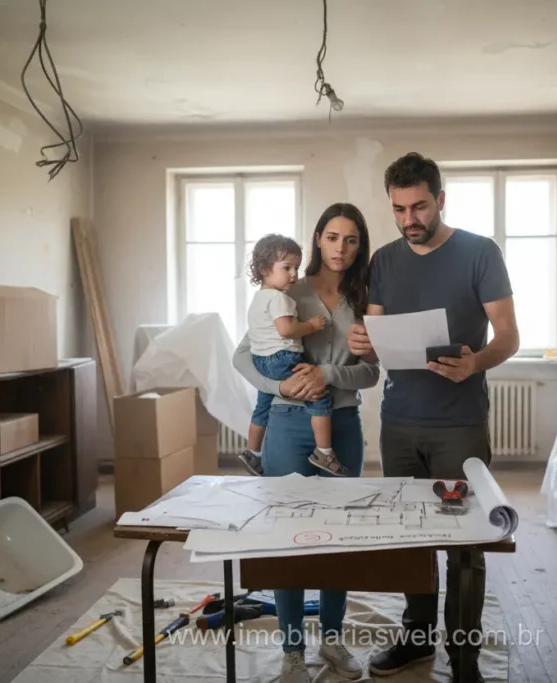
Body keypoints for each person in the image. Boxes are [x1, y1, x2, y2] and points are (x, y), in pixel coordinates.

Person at [347, 153, 520, 682]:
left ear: (441, 200)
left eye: (419, 206)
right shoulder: (383, 261)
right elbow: (373, 340)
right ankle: (417, 640)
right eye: (399, 209)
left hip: (459, 425)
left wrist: (475, 362)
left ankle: (464, 659)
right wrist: (362, 343)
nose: (409, 219)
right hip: (398, 423)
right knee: (409, 539)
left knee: (466, 543)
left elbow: (510, 335)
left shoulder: (479, 253)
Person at [232, 202, 377, 683]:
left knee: (339, 540)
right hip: (287, 426)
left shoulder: (365, 296)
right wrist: (281, 387)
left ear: (359, 246)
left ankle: (331, 641)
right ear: (318, 239)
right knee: (285, 541)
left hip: (344, 426)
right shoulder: (286, 288)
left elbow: (372, 372)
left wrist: (327, 373)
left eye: (352, 239)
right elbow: (242, 357)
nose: (342, 247)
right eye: (333, 237)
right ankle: (293, 651)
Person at [238, 233, 350, 478]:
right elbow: (286, 329)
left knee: (261, 408)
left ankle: (252, 452)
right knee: (319, 396)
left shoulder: (258, 298)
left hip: (262, 360)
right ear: (264, 269)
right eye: (286, 267)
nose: (293, 274)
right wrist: (311, 325)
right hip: (283, 358)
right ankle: (324, 451)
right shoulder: (281, 299)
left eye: (296, 268)